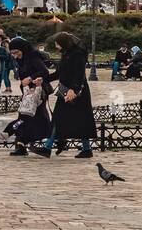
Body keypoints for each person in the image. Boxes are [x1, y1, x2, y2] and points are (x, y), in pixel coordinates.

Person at [34, 31, 96, 160]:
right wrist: (43, 79)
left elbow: (79, 74)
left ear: (63, 43)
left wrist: (74, 89)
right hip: (65, 92)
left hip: (77, 93)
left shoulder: (77, 54)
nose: (56, 47)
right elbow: (59, 73)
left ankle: (48, 148)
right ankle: (85, 149)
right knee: (59, 118)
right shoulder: (66, 54)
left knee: (81, 120)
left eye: (57, 44)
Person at [4, 76, 50, 155]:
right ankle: (8, 134)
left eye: (32, 90)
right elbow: (26, 91)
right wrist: (25, 85)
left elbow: (37, 93)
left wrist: (37, 84)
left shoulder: (36, 97)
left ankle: (8, 134)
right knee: (17, 124)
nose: (30, 91)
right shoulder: (28, 95)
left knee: (17, 124)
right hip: (25, 117)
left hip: (31, 117)